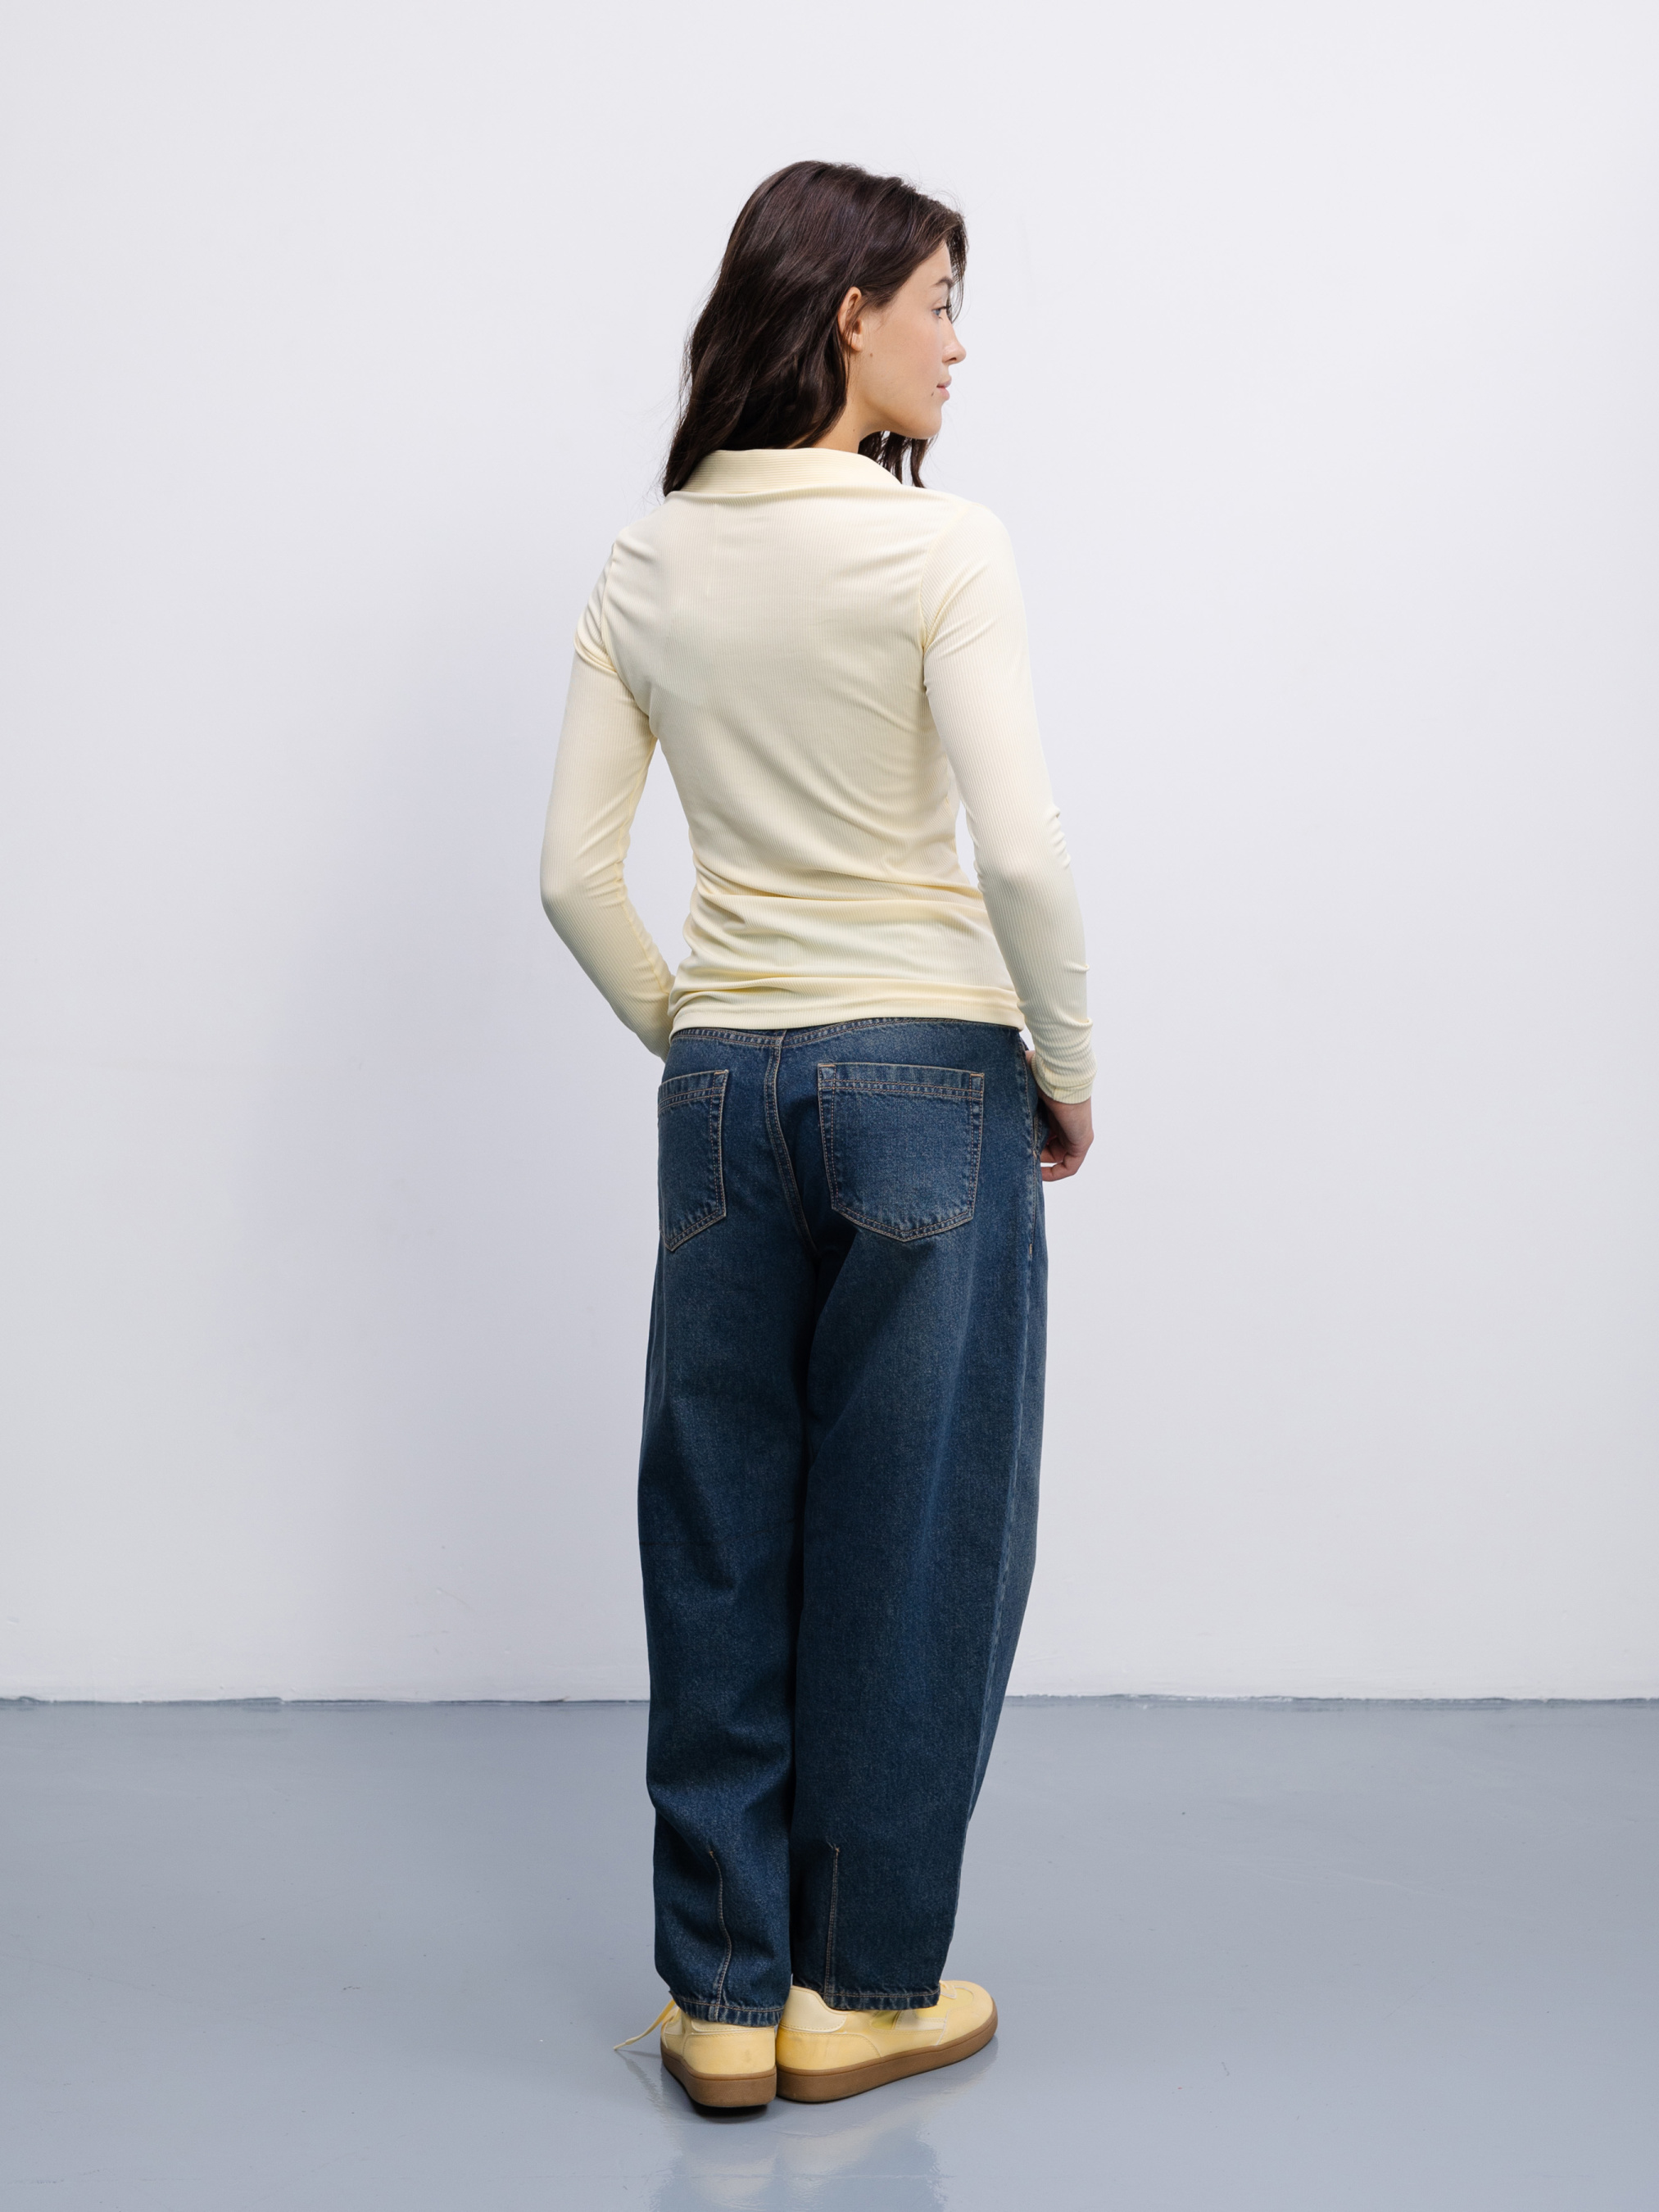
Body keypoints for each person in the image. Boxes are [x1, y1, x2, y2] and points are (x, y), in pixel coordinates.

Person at [541, 160, 1095, 2110]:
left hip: (725, 1085)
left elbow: (572, 877)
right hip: (930, 1072)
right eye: (937, 301)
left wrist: (695, 1032)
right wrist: (1065, 1061)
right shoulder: (941, 549)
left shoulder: (646, 557)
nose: (957, 343)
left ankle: (716, 1996)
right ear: (846, 313)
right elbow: (1018, 852)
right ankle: (854, 1990)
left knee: (714, 1520)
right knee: (912, 1537)